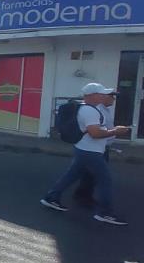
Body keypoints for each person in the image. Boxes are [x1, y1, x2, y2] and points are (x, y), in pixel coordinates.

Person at [40, 83, 132, 226]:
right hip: (91, 152)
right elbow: (95, 133)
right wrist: (116, 131)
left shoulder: (89, 109)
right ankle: (105, 213)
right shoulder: (90, 111)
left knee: (71, 176)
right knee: (105, 180)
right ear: (92, 95)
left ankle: (51, 197)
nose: (104, 96)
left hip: (84, 149)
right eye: (101, 93)